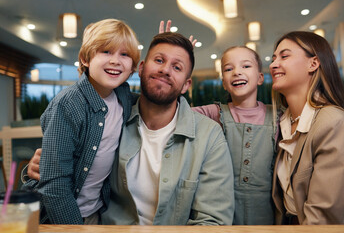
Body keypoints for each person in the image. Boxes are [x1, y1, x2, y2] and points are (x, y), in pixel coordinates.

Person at [101, 32, 234, 225]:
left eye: (177, 67)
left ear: (186, 85)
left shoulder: (209, 136)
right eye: (159, 60)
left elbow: (213, 222)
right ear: (141, 68)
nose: (165, 70)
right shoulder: (111, 118)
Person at [22, 18, 140, 224]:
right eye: (106, 51)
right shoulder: (68, 105)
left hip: (94, 211)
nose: (115, 60)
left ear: (133, 67)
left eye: (125, 54)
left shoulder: (123, 96)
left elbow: (159, 102)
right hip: (54, 215)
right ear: (85, 59)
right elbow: (54, 184)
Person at [270, 31, 344, 225]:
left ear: (313, 64)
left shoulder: (333, 122)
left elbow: (323, 217)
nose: (273, 64)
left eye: (284, 56)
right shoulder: (282, 123)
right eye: (273, 58)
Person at [192, 46, 276, 225]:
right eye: (228, 69)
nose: (237, 72)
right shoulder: (213, 113)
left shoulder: (278, 116)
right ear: (223, 82)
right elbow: (174, 112)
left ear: (260, 77)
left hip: (268, 219)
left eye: (246, 66)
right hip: (222, 217)